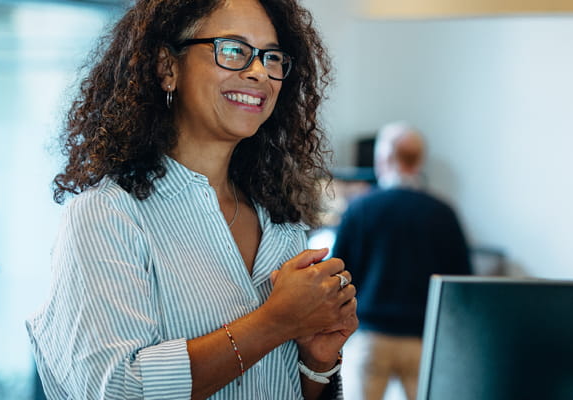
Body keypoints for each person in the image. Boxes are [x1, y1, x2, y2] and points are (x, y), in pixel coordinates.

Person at [27, 0, 356, 399]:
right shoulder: (108, 214)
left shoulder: (281, 224)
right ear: (168, 68)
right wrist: (275, 322)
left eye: (271, 58)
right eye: (233, 50)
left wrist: (317, 362)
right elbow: (117, 389)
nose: (258, 72)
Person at [331, 122, 472, 400]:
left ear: (383, 159)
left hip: (370, 336)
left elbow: (340, 272)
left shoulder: (361, 208)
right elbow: (461, 282)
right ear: (419, 160)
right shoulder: (443, 213)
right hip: (423, 338)